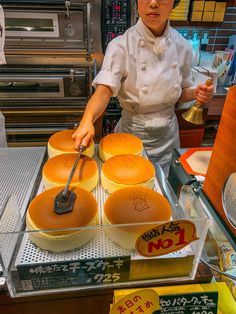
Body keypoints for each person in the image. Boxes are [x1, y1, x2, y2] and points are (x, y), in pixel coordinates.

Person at [72, 0, 214, 175]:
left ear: (174, 3)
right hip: (131, 136)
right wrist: (87, 120)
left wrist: (195, 93)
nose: (153, 3)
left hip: (168, 140)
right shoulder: (121, 45)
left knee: (162, 190)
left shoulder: (183, 46)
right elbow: (103, 92)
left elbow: (180, 93)